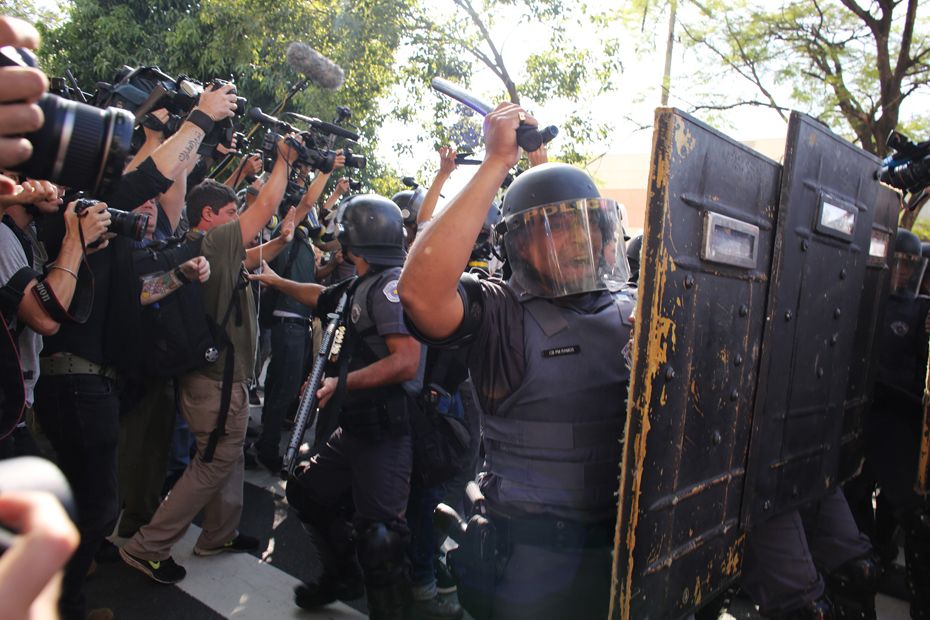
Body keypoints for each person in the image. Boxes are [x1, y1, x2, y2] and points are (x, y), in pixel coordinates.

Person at [399, 103, 635, 619]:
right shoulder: (500, 315)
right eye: (555, 230)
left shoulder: (637, 308)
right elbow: (418, 293)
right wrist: (496, 163)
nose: (577, 241)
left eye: (585, 225)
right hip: (533, 561)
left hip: (628, 554)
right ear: (521, 248)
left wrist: (541, 168)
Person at [119, 134, 302, 584]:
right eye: (232, 212)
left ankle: (219, 533)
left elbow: (252, 255)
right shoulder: (216, 241)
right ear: (209, 216)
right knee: (215, 461)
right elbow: (263, 208)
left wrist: (281, 241)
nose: (238, 219)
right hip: (216, 381)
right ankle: (148, 546)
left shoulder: (211, 247)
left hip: (218, 379)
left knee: (227, 456)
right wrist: (284, 160)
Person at [250, 194, 421, 620]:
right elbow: (323, 296)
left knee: (381, 539)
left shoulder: (388, 286)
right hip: (358, 426)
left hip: (387, 431)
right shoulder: (363, 282)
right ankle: (342, 576)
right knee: (308, 492)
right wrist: (276, 281)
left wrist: (340, 382)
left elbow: (406, 361)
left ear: (350, 244)